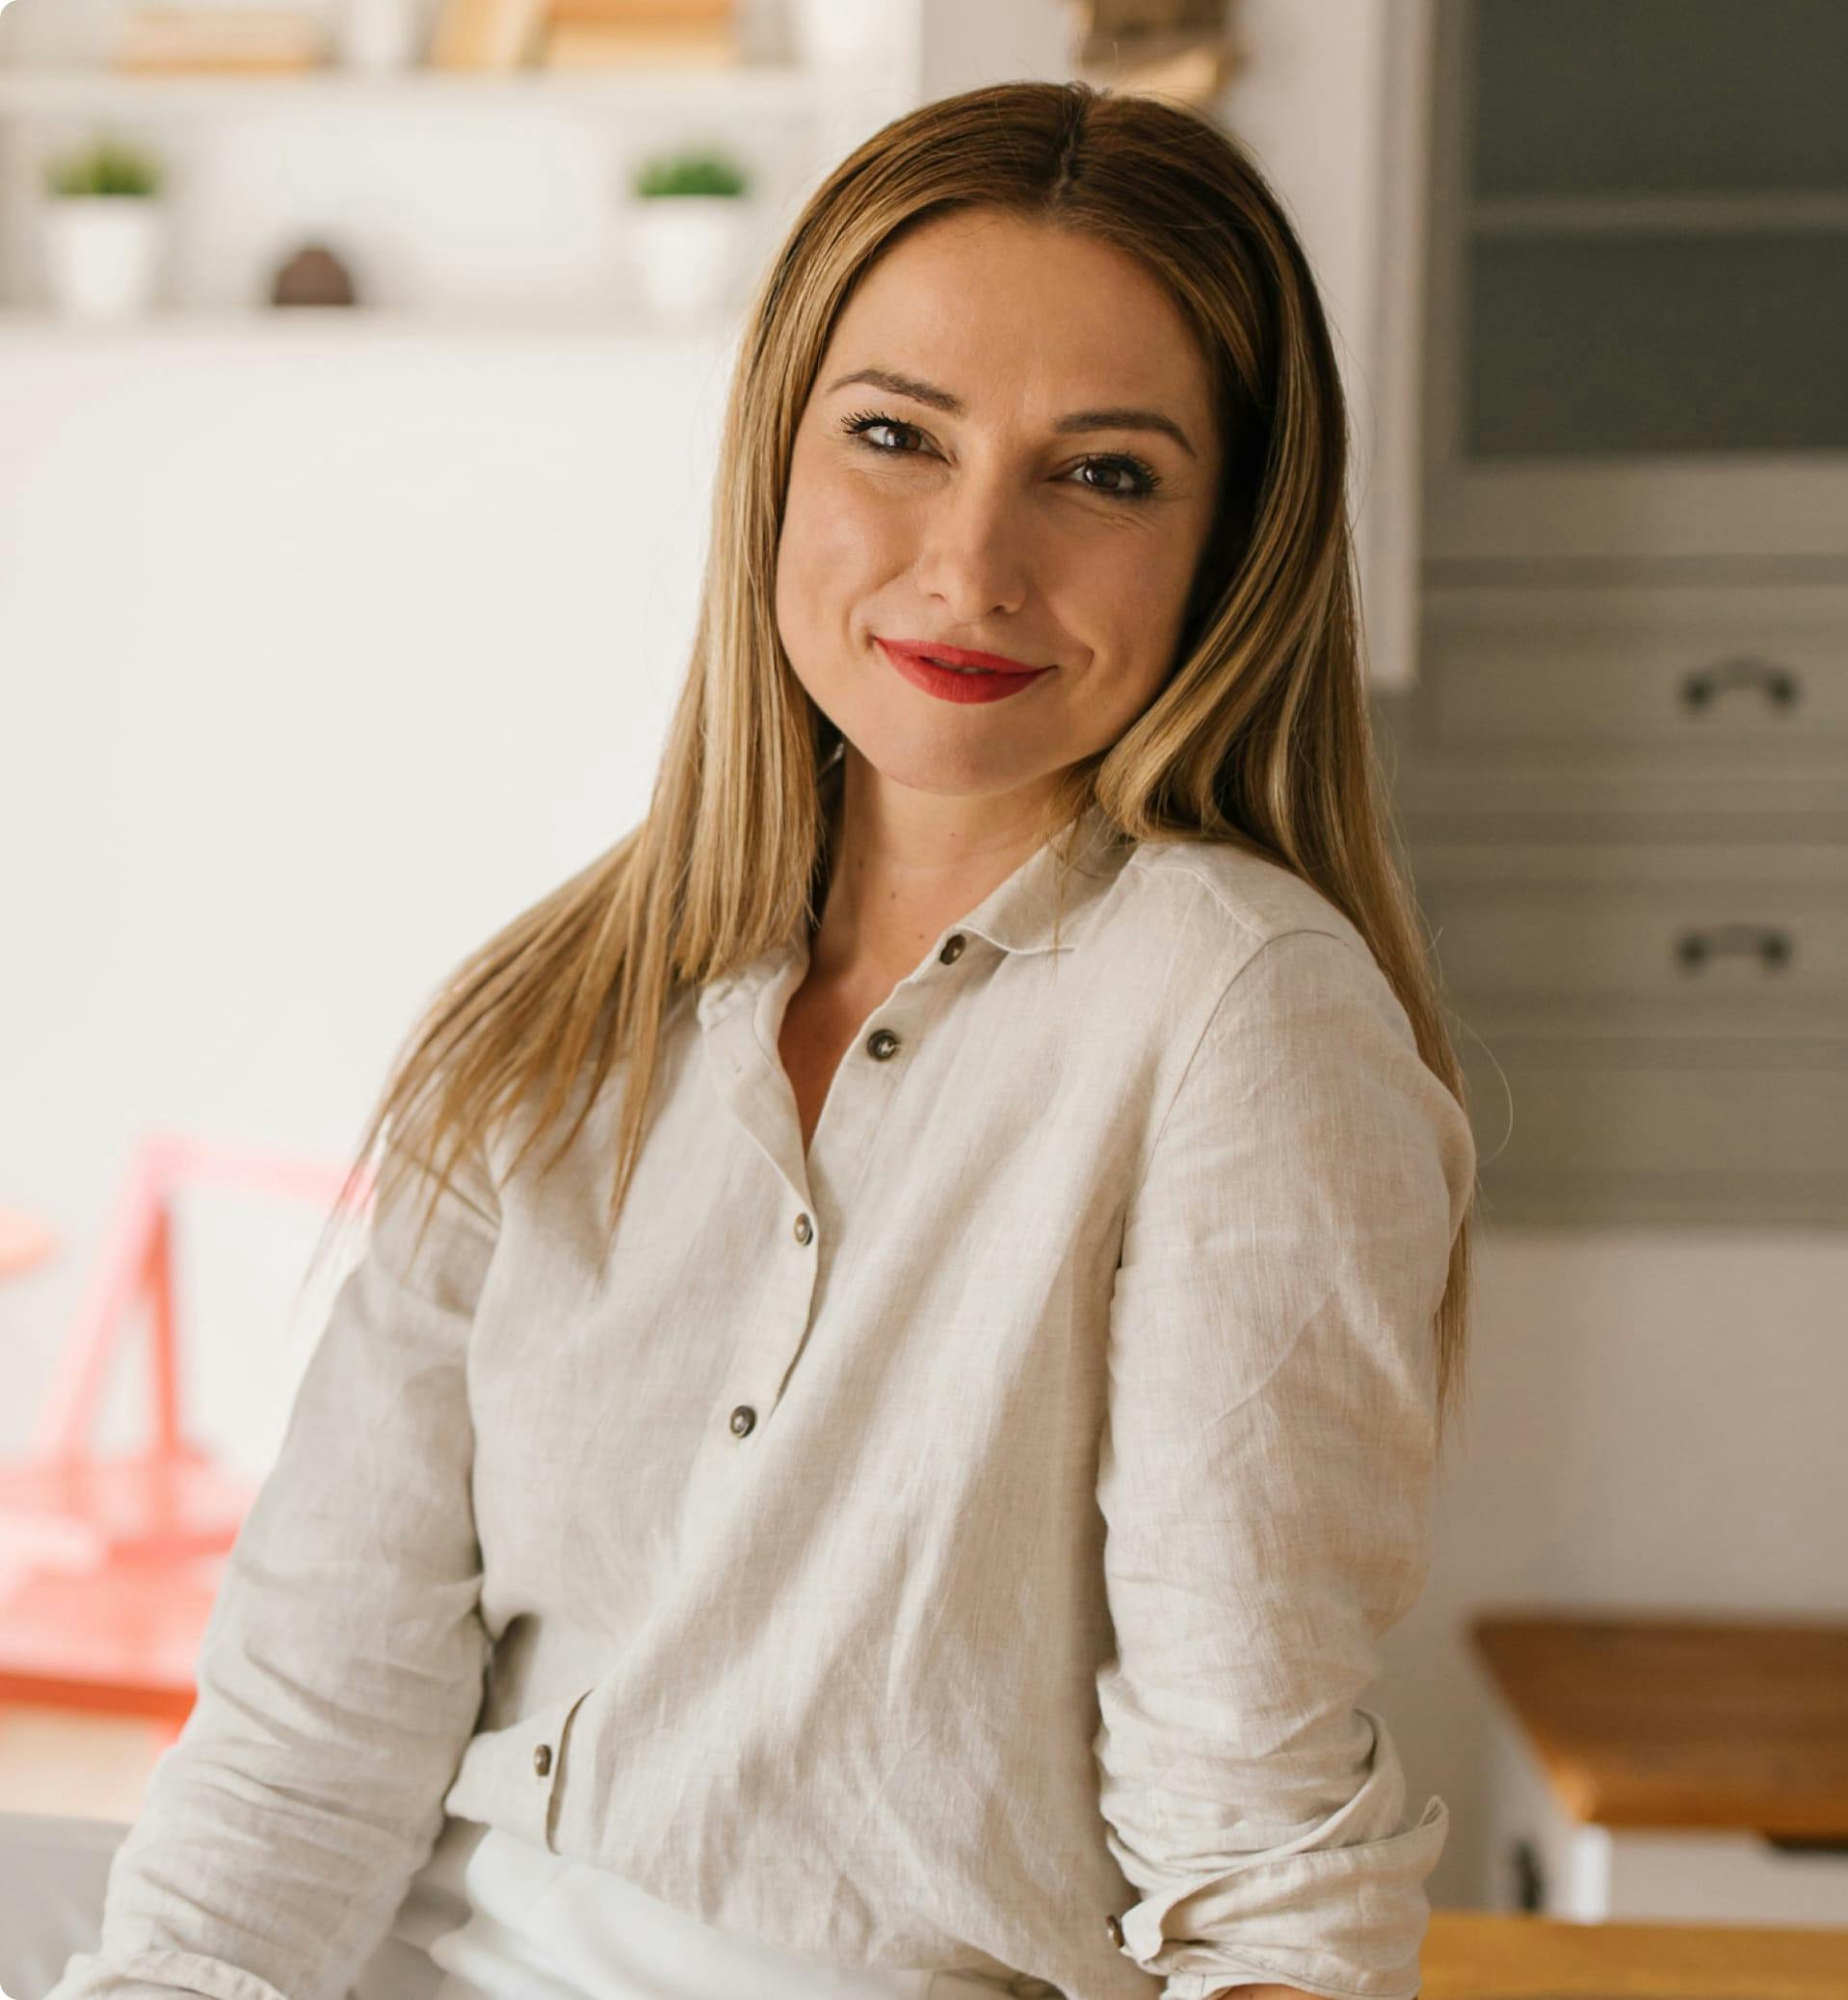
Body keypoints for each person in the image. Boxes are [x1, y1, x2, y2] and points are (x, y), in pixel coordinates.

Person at [34, 76, 1479, 2000]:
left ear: (1230, 544)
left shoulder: (1239, 1016)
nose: (973, 564)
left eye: (1104, 475)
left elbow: (1253, 1854)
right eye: (897, 437)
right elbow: (314, 1716)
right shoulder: (557, 1012)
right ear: (775, 461)